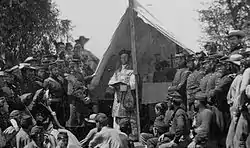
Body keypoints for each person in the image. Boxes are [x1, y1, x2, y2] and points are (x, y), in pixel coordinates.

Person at [108, 49, 138, 140]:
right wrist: (113, 86)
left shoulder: (131, 71)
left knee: (128, 119)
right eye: (122, 57)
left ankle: (129, 137)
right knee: (117, 118)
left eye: (125, 57)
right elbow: (111, 82)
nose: (123, 59)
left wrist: (123, 86)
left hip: (127, 97)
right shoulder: (117, 71)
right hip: (118, 97)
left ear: (128, 58)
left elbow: (133, 85)